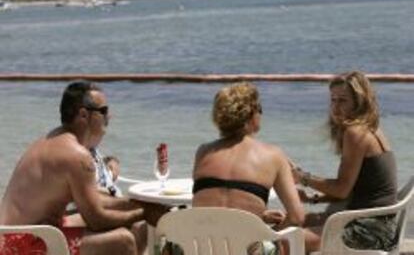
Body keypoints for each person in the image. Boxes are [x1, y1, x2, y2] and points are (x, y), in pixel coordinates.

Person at [0, 80, 169, 255]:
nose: (109, 117)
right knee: (122, 241)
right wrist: (144, 213)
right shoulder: (76, 155)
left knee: (137, 227)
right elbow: (96, 219)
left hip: (19, 236)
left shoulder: (52, 140)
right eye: (104, 111)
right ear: (83, 115)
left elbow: (96, 200)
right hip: (19, 246)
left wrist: (140, 206)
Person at [192, 82, 305, 255]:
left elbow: (216, 202)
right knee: (283, 245)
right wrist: (267, 231)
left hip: (200, 249)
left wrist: (257, 216)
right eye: (259, 108)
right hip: (246, 251)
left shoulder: (204, 152)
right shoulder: (273, 155)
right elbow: (297, 217)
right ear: (251, 115)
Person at [291, 71, 398, 253]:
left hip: (369, 231)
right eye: (333, 100)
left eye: (343, 101)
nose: (335, 107)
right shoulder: (371, 129)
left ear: (359, 102)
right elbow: (357, 189)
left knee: (282, 242)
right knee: (292, 221)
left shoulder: (355, 133)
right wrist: (313, 199)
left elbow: (342, 189)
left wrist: (303, 178)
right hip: (376, 223)